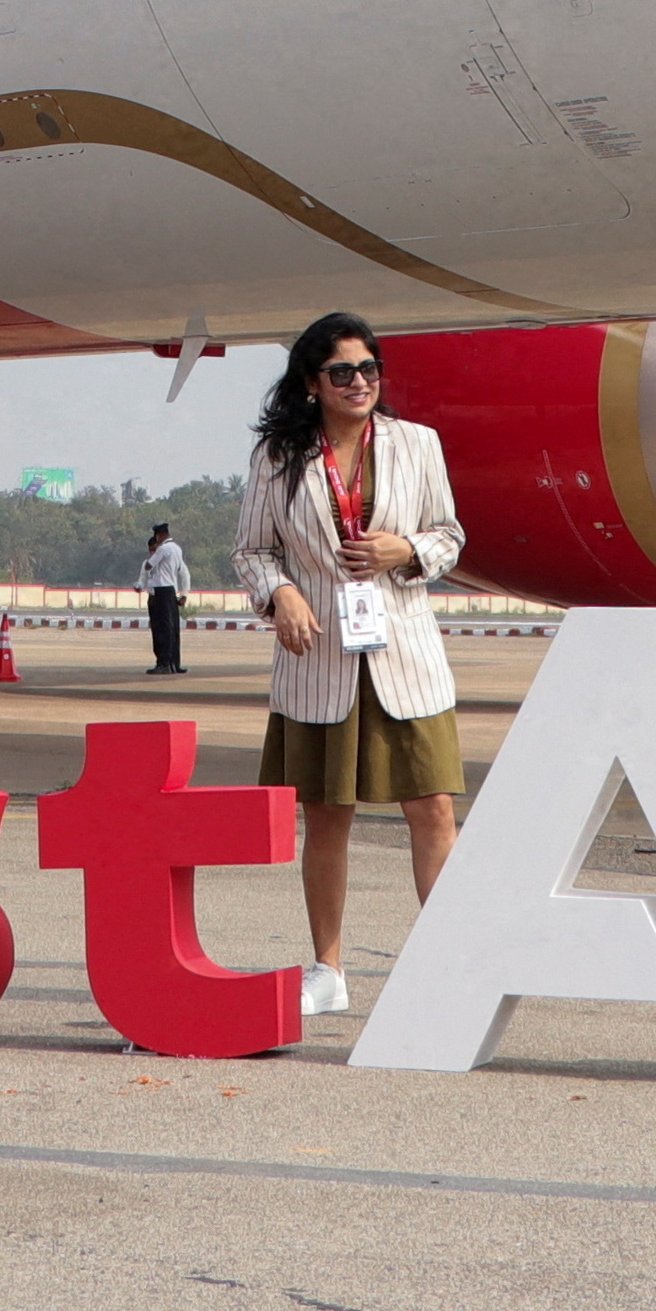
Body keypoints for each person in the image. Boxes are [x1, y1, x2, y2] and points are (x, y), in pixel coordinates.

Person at [239, 312, 463, 1018]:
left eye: (369, 369)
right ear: (313, 382)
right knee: (327, 813)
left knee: (432, 808)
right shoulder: (279, 456)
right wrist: (280, 596)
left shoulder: (417, 444)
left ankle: (445, 961)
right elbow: (251, 549)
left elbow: (451, 534)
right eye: (343, 371)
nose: (360, 381)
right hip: (320, 658)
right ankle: (328, 969)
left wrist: (410, 552)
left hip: (405, 653)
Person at [139, 522, 191, 673]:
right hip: (171, 590)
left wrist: (153, 559)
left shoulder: (162, 549)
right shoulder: (177, 549)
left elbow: (149, 565)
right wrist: (184, 594)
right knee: (172, 628)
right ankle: (174, 663)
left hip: (160, 591)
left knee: (161, 629)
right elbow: (183, 572)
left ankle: (163, 663)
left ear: (159, 535)